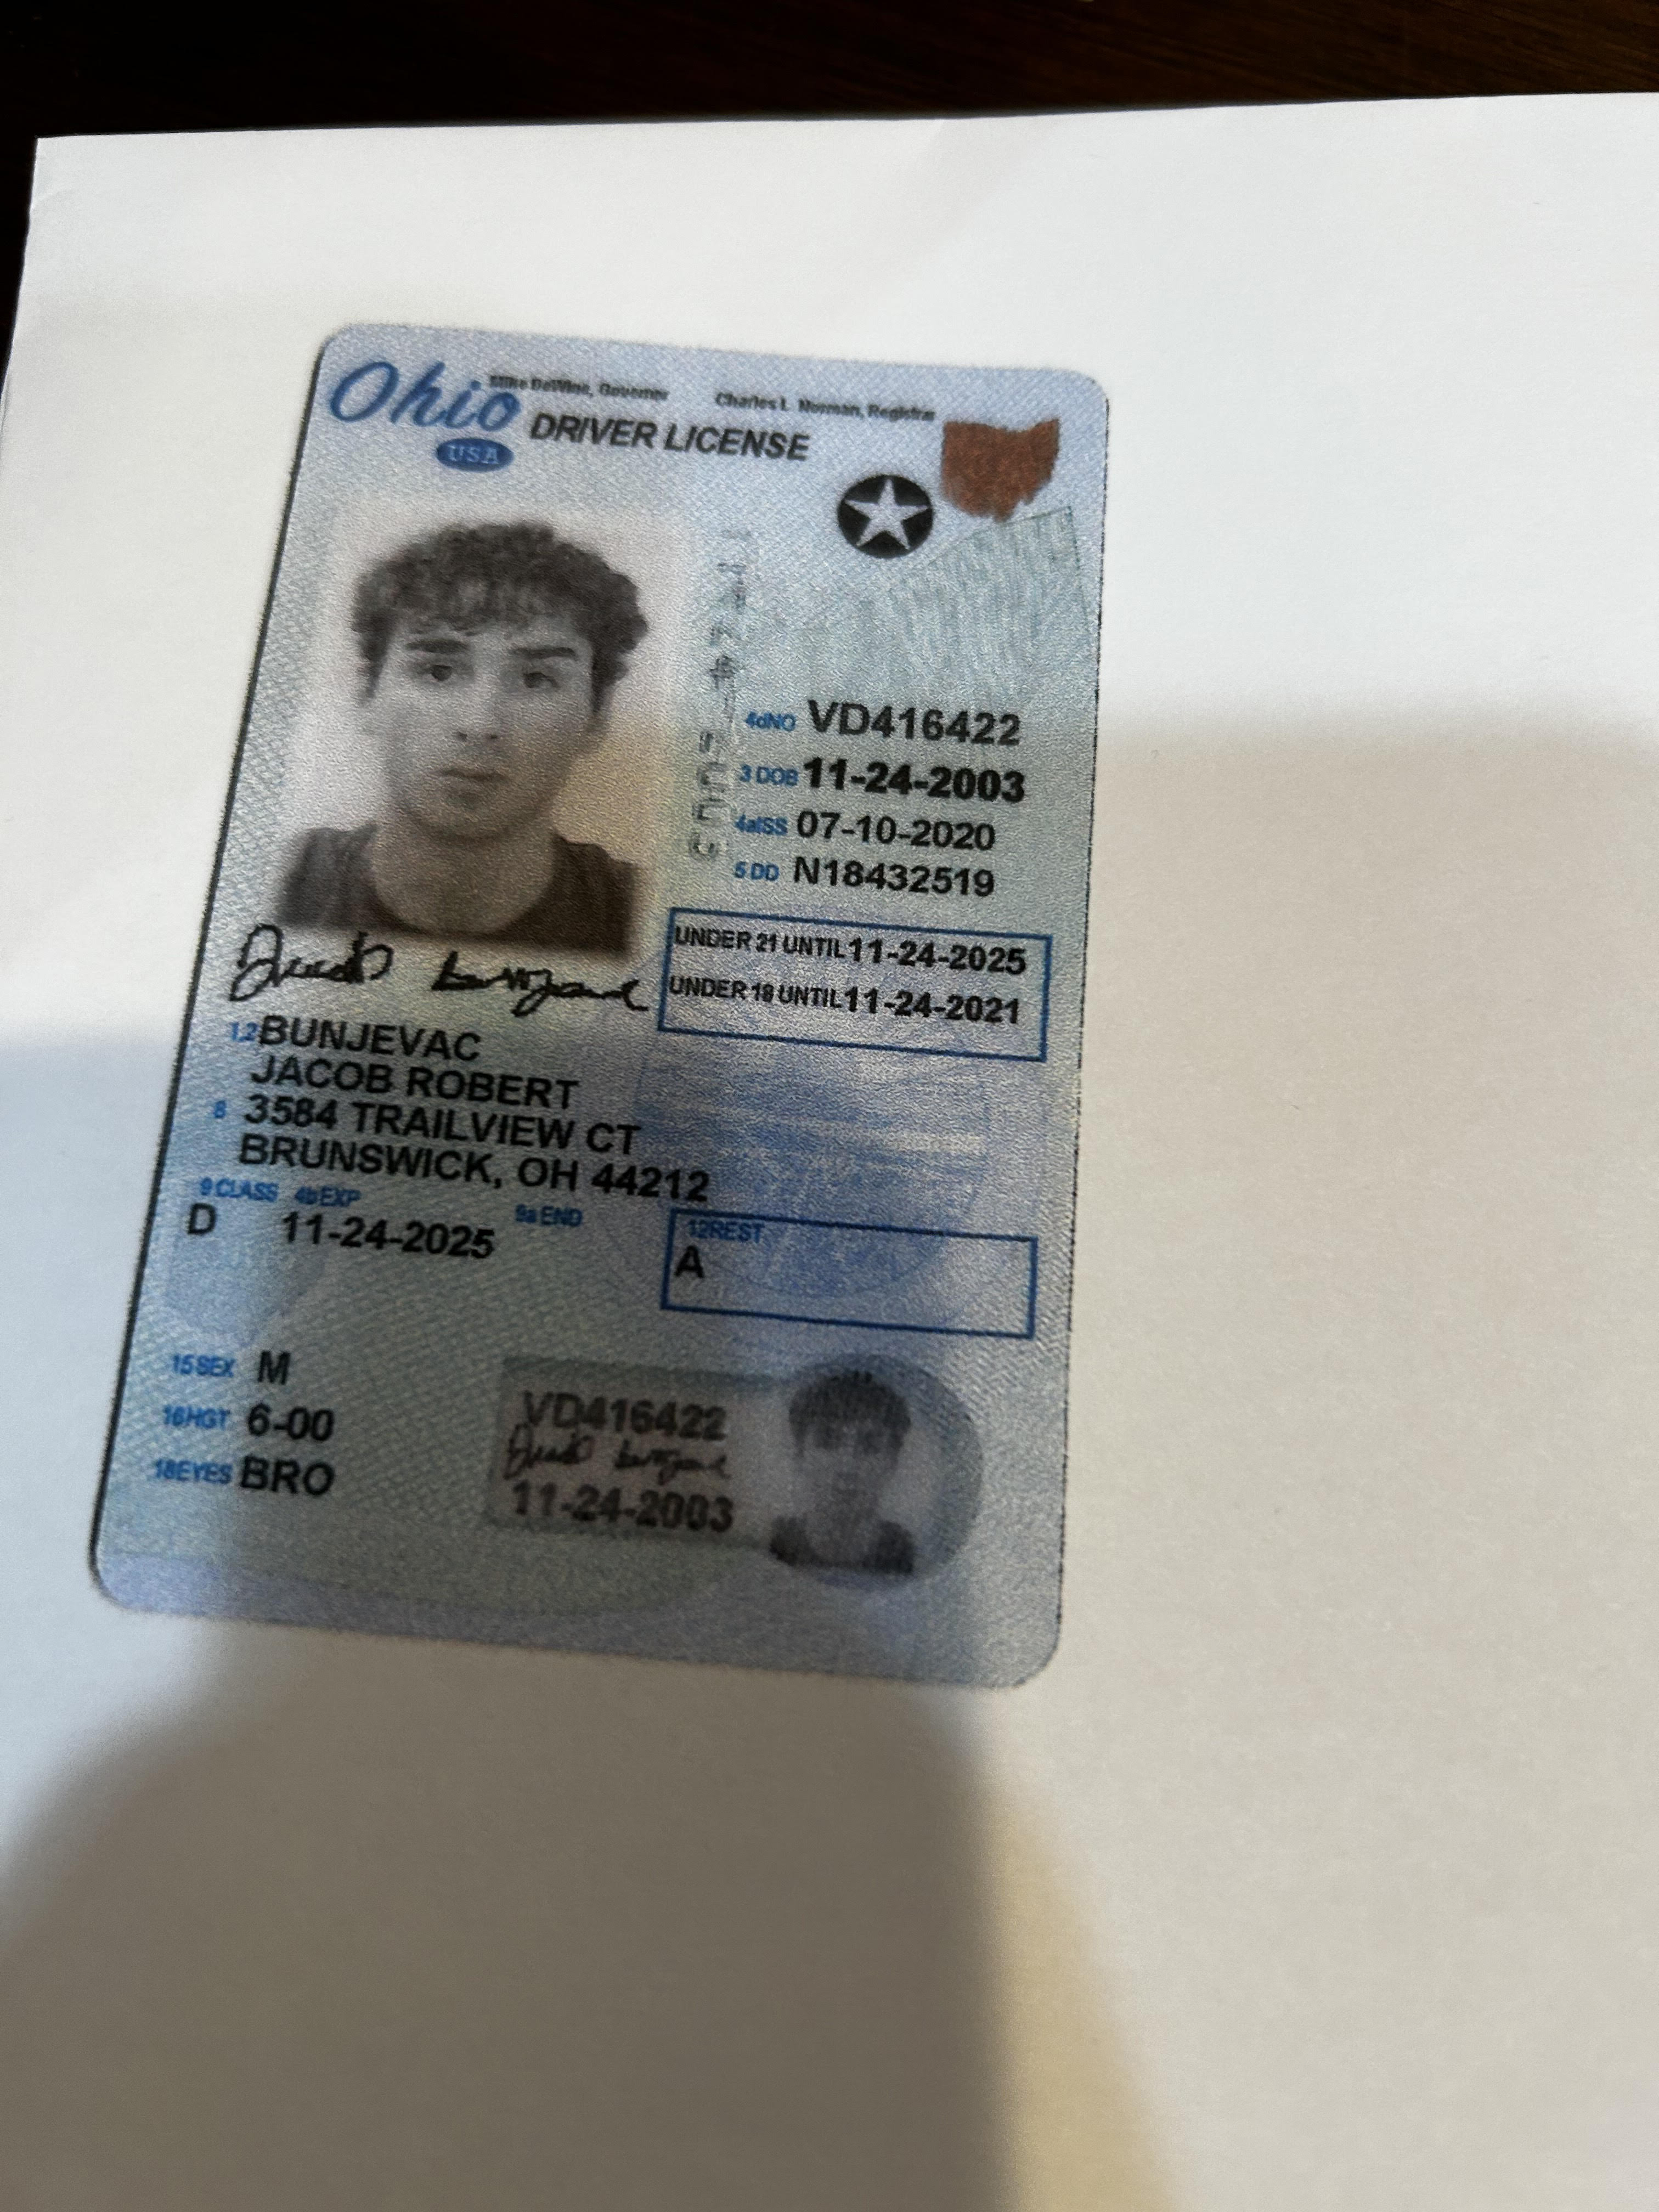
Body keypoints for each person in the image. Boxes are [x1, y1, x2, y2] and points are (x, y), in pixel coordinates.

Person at [279, 521, 647, 950]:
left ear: (596, 717)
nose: (479, 725)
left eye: (535, 679)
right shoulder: (280, 881)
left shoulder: (641, 913)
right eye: (438, 672)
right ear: (368, 695)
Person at [770, 1372, 916, 1576]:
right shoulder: (773, 1546)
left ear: (892, 1461)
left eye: (870, 1446)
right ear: (800, 1453)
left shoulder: (909, 1555)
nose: (847, 1468)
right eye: (827, 1442)